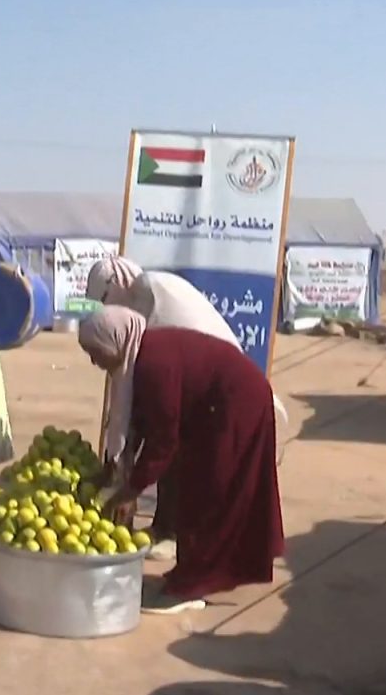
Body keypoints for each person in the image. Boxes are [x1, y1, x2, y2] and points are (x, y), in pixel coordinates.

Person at [78, 307, 285, 614]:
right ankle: (190, 573)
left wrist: (131, 491)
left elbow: (163, 440)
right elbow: (140, 423)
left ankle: (192, 586)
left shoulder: (152, 365)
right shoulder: (138, 356)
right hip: (213, 409)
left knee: (211, 493)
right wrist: (114, 472)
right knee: (190, 487)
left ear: (114, 340)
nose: (95, 362)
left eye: (97, 352)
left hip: (237, 406)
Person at [85, 256, 288, 560]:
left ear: (114, 288)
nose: (94, 362)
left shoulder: (153, 299)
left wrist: (130, 488)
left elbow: (160, 425)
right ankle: (180, 540)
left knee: (200, 477)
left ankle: (176, 538)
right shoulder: (133, 331)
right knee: (180, 460)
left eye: (104, 300)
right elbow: (131, 401)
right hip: (203, 392)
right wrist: (117, 463)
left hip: (224, 397)